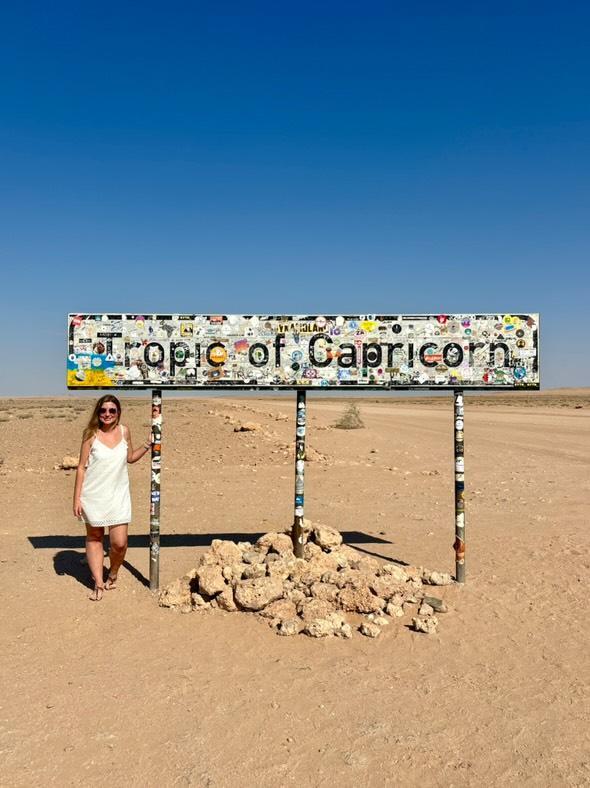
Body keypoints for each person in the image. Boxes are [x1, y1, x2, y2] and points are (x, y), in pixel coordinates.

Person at [73, 395, 151, 600]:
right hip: (93, 496)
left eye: (111, 411)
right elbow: (81, 467)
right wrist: (77, 498)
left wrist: (147, 445)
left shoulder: (125, 431)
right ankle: (98, 582)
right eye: (103, 411)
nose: (107, 414)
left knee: (119, 543)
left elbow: (130, 458)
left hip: (118, 496)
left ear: (118, 413)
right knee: (94, 537)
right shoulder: (90, 434)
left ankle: (113, 573)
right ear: (98, 413)